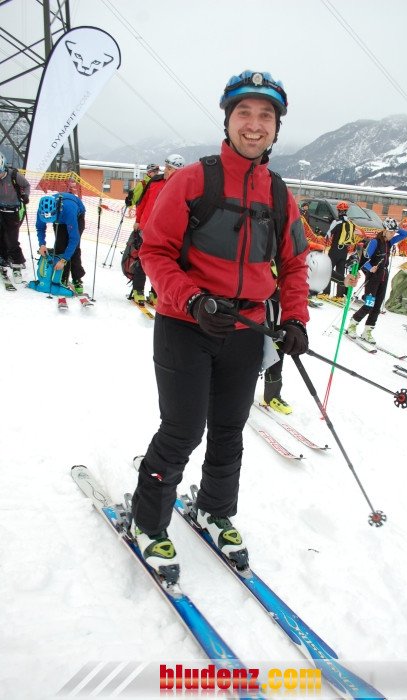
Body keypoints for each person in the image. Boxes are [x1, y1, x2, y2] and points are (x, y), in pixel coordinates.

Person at [130, 70, 310, 583]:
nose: (254, 124)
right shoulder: (193, 180)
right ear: (228, 120)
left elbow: (295, 263)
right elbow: (154, 252)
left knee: (229, 430)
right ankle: (148, 521)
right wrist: (192, 299)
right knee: (183, 428)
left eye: (265, 116)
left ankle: (214, 509)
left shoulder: (280, 194)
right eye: (244, 113)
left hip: (246, 330)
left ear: (276, 127)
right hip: (186, 324)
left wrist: (295, 318)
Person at [263, 252, 359, 414]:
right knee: (262, 349)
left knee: (277, 350)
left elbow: (313, 265)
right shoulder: (273, 253)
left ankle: (271, 395)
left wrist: (343, 280)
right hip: (264, 307)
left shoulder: (298, 253)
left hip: (286, 309)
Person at [131, 154, 185, 306]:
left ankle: (155, 294)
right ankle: (138, 291)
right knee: (142, 260)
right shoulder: (155, 181)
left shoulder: (182, 185)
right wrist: (138, 220)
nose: (166, 170)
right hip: (146, 227)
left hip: (166, 232)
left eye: (170, 168)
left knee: (161, 264)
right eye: (166, 167)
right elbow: (143, 202)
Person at [347, 217, 407, 344]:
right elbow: (365, 259)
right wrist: (370, 268)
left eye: (393, 232)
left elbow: (405, 234)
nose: (393, 234)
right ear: (384, 230)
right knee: (369, 304)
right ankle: (352, 324)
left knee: (377, 306)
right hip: (373, 277)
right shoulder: (375, 242)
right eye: (390, 232)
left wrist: (395, 228)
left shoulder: (390, 242)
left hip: (383, 276)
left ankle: (368, 331)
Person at [36, 192, 86, 291]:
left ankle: (77, 278)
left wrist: (64, 260)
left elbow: (74, 238)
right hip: (59, 218)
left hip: (75, 215)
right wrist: (42, 244)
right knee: (59, 246)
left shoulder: (69, 211)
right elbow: (40, 227)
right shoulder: (42, 210)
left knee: (74, 248)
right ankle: (62, 276)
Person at [317, 200, 356, 302]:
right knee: (340, 272)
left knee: (328, 270)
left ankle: (326, 293)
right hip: (344, 251)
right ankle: (339, 295)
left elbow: (328, 235)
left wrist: (320, 232)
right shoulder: (351, 223)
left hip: (335, 249)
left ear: (338, 211)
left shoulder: (336, 222)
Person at [0, 151, 30, 278]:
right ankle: (3, 257)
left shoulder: (14, 175)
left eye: (0, 172)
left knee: (11, 237)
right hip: (0, 209)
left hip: (13, 210)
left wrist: (25, 196)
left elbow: (26, 185)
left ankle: (18, 261)